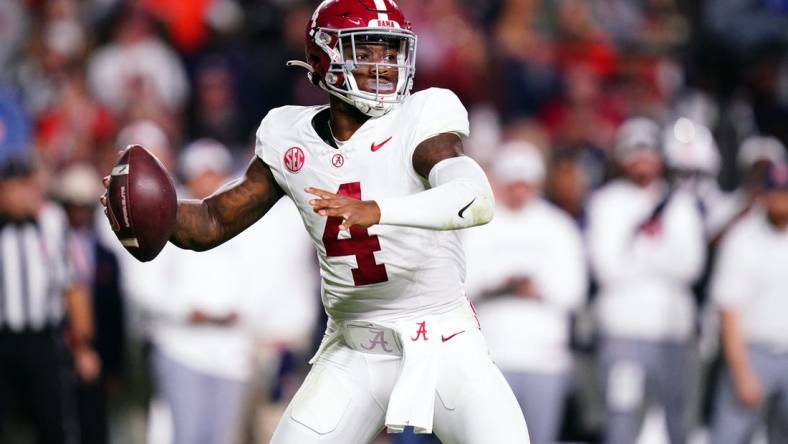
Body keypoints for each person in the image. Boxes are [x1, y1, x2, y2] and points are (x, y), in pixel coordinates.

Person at [101, 1, 529, 443]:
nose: (383, 65)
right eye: (367, 50)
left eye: (391, 51)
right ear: (325, 56)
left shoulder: (422, 120)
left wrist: (380, 211)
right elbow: (211, 221)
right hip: (355, 350)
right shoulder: (289, 137)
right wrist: (149, 210)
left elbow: (474, 198)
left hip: (444, 341)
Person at [586, 117, 706, 444]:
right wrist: (660, 256)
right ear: (622, 158)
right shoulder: (605, 203)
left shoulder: (680, 204)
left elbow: (691, 266)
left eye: (649, 153)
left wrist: (638, 254)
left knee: (676, 422)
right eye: (634, 153)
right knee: (621, 420)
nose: (642, 161)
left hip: (673, 332)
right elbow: (606, 270)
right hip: (622, 330)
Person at [464, 142, 587, 444]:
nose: (519, 192)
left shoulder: (559, 227)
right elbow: (462, 283)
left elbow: (574, 291)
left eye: (526, 184)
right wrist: (502, 284)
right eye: (513, 184)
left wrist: (535, 288)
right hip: (492, 357)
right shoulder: (478, 224)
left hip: (546, 357)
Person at [0, 150, 97, 444]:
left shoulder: (52, 222)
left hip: (43, 341)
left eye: (31, 185)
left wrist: (83, 346)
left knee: (53, 424)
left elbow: (73, 287)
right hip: (3, 339)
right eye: (19, 187)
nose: (27, 194)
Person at [709, 162, 788, 443]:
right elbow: (730, 310)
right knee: (729, 435)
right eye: (775, 192)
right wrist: (741, 372)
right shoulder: (743, 238)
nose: (781, 200)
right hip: (753, 352)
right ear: (764, 195)